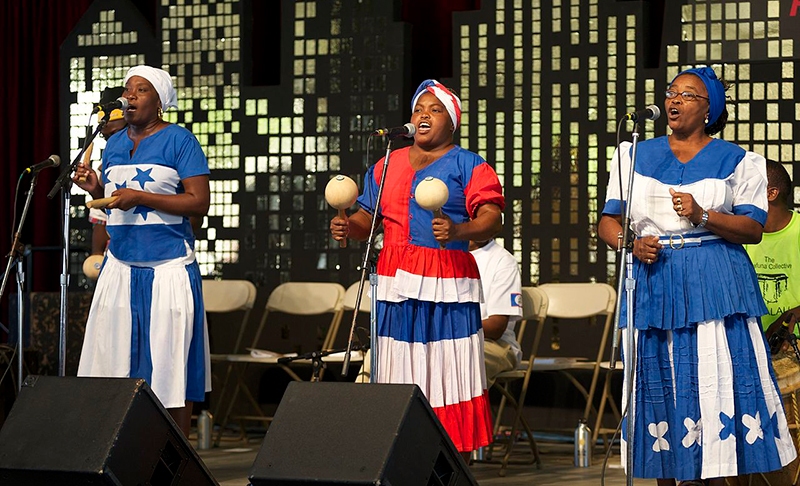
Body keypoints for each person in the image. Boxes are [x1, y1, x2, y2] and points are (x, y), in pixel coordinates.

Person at [597, 67, 795, 485]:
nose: (674, 100)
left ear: (709, 110)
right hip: (653, 277)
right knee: (661, 384)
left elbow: (753, 229)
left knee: (716, 375)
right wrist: (628, 245)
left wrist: (704, 214)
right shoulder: (632, 154)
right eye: (672, 92)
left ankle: (727, 474)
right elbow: (608, 221)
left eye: (687, 95)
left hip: (715, 278)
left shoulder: (740, 162)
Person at [330, 79, 504, 458]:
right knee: (398, 366)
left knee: (446, 370)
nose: (424, 115)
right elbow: (366, 220)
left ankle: (446, 457)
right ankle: (400, 452)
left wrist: (459, 229)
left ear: (452, 121)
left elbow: (492, 218)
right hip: (395, 278)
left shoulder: (469, 164)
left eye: (435, 109)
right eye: (418, 110)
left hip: (447, 276)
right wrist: (349, 226)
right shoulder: (385, 164)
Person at [73, 65, 211, 436]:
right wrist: (93, 186)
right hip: (119, 267)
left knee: (171, 370)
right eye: (128, 89)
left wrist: (141, 196)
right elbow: (113, 202)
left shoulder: (180, 140)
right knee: (112, 364)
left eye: (141, 90)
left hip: (168, 269)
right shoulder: (114, 143)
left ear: (160, 101)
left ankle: (177, 459)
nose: (130, 96)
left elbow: (199, 203)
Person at [745, 160, 800, 333]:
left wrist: (791, 316)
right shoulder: (740, 233)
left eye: (747, 188)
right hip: (752, 345)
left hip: (793, 348)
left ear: (771, 194)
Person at [469, 239, 523, 386]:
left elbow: (496, 327)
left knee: (462, 359)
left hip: (495, 343)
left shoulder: (503, 261)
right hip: (447, 340)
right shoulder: (441, 256)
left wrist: (448, 328)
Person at [88, 86, 128, 258]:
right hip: (118, 260)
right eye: (106, 137)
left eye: (117, 133)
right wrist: (95, 189)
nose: (113, 141)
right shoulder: (106, 168)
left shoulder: (163, 153)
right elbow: (105, 217)